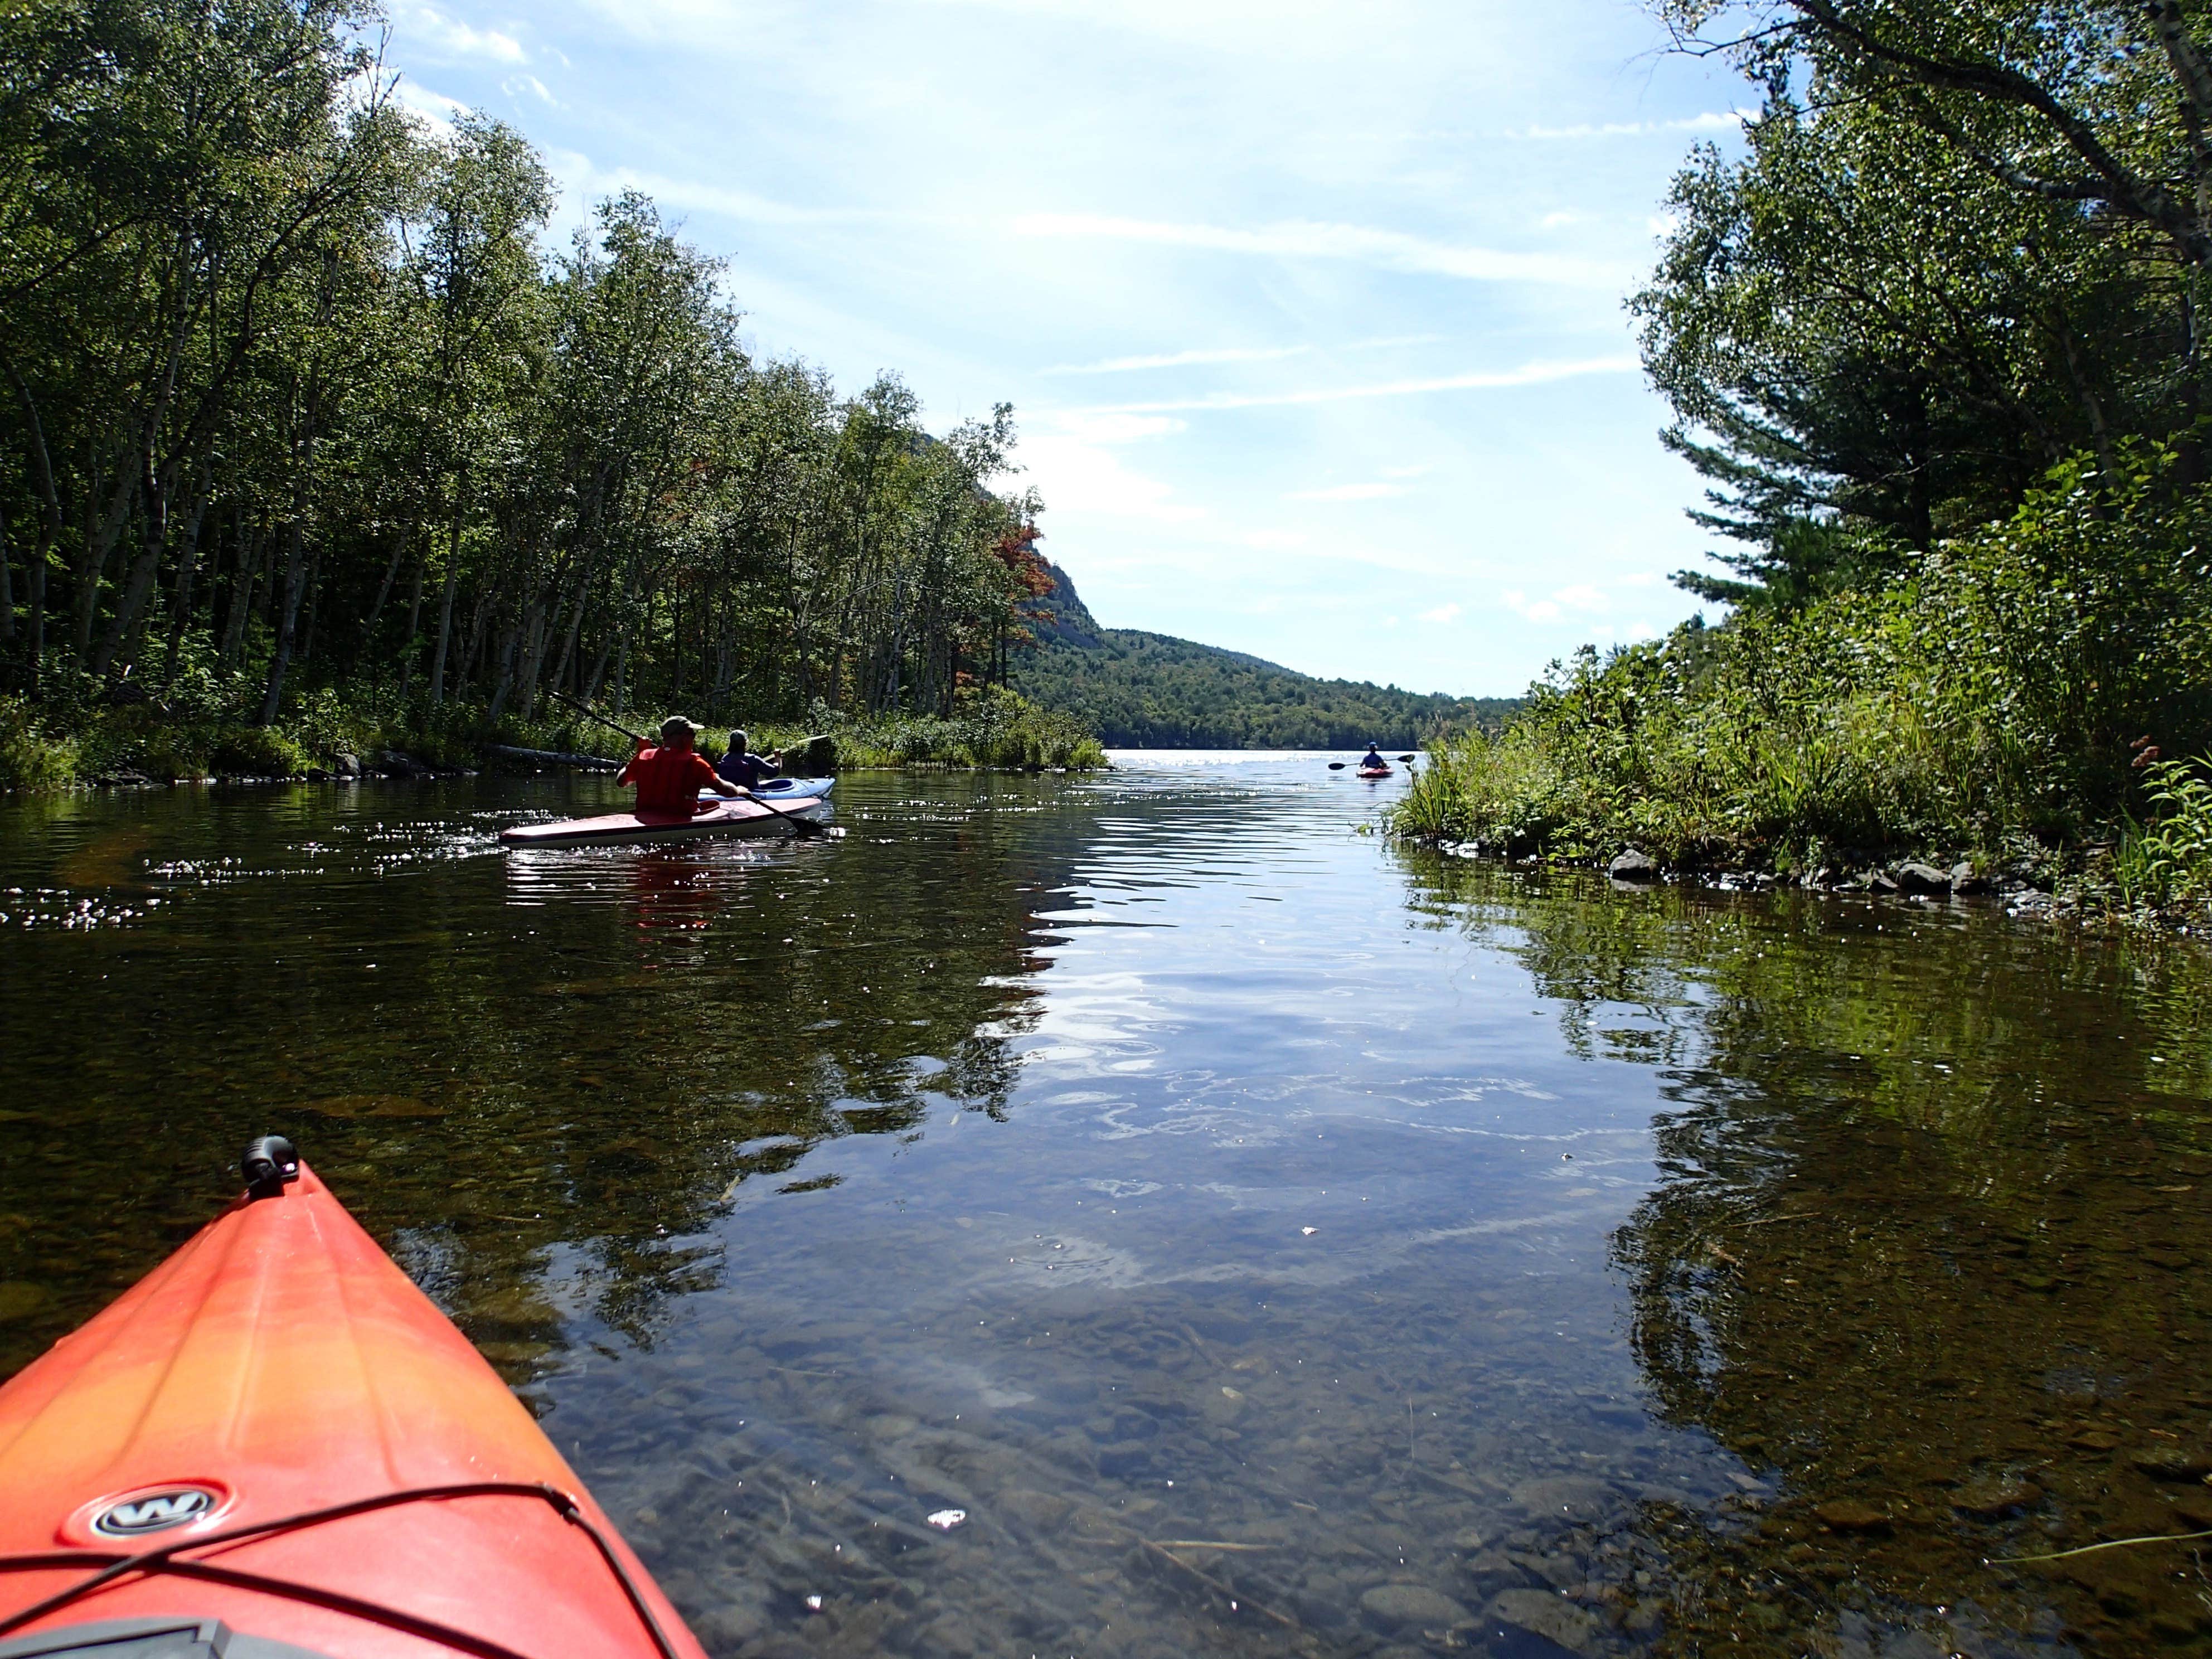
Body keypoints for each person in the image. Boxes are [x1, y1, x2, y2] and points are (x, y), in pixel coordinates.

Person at [618, 716, 740, 816]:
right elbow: (728, 792)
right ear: (683, 737)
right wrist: (739, 791)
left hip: (644, 815)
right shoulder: (696, 763)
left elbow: (621, 781)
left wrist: (640, 753)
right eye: (692, 734)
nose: (694, 739)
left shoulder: (644, 756)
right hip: (680, 819)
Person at [715, 729, 782, 790]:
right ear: (745, 743)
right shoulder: (752, 759)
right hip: (751, 793)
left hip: (730, 792)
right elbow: (775, 772)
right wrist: (778, 757)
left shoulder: (725, 758)